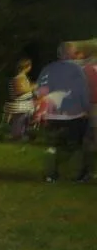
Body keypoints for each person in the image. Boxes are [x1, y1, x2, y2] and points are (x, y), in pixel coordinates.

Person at [35, 42, 91, 183]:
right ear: (71, 54)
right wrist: (86, 108)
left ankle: (50, 174)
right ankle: (77, 175)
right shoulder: (77, 70)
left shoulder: (47, 69)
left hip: (51, 114)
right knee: (75, 146)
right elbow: (82, 92)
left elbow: (40, 91)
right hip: (73, 114)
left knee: (52, 145)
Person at [6, 58, 37, 140]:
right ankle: (17, 136)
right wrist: (32, 87)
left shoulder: (22, 77)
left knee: (24, 121)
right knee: (19, 121)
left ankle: (22, 135)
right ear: (27, 67)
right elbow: (20, 90)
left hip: (24, 105)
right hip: (20, 105)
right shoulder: (19, 78)